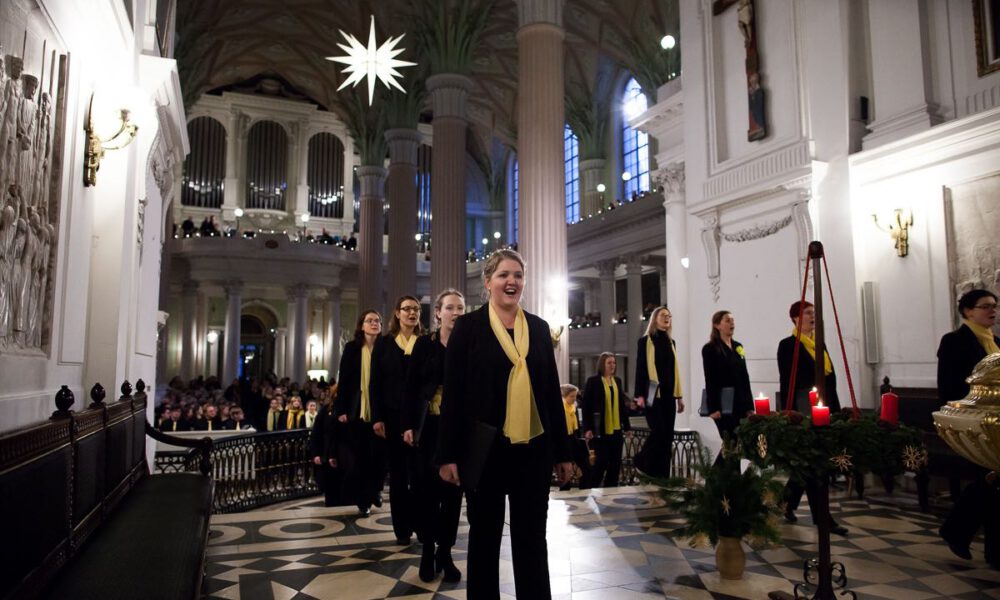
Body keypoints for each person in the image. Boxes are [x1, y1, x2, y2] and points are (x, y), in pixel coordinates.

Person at [436, 249, 573, 600]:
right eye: (503, 275)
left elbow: (549, 398)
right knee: (484, 540)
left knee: (531, 540)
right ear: (488, 282)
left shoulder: (540, 330)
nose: (511, 281)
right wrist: (447, 455)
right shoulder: (467, 329)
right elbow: (453, 397)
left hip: (533, 450)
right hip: (484, 452)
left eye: (517, 275)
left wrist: (564, 453)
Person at [403, 289, 466, 582]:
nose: (456, 312)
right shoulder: (424, 345)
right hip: (428, 428)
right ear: (438, 313)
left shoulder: (469, 345)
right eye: (450, 307)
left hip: (456, 430)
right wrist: (407, 425)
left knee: (452, 495)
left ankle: (446, 552)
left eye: (460, 308)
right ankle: (427, 550)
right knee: (426, 492)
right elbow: (411, 386)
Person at [937, 289, 1000, 566]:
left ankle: (958, 532)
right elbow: (949, 385)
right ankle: (981, 545)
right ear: (967, 311)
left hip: (996, 423)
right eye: (985, 306)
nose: (992, 311)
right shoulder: (955, 341)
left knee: (992, 483)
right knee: (990, 481)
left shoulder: (996, 342)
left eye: (994, 306)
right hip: (971, 425)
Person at [777, 300, 847, 536]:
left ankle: (784, 503)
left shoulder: (819, 343)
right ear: (796, 318)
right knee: (815, 464)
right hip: (803, 410)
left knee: (808, 464)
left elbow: (830, 379)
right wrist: (789, 412)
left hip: (823, 408)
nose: (812, 316)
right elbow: (788, 380)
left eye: (813, 312)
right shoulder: (788, 345)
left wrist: (834, 409)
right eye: (807, 313)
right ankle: (822, 518)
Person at [371, 295, 423, 545]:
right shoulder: (384, 344)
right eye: (407, 309)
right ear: (397, 313)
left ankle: (422, 524)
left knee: (420, 474)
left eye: (415, 309)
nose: (411, 313)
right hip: (391, 417)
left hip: (419, 418)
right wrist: (377, 417)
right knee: (400, 476)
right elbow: (375, 383)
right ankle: (402, 529)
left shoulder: (424, 342)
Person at [335, 310, 384, 517]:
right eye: (369, 321)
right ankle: (364, 499)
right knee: (361, 459)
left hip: (380, 412)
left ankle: (375, 490)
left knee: (379, 458)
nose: (374, 323)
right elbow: (344, 380)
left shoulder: (386, 347)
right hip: (357, 411)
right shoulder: (352, 348)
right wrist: (341, 409)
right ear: (361, 326)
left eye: (377, 321)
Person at [632, 306, 685, 478]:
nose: (667, 318)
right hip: (652, 395)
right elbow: (640, 369)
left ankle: (662, 475)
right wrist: (639, 395)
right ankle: (641, 461)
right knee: (658, 432)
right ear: (655, 318)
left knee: (667, 436)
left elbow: (674, 371)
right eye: (663, 315)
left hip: (669, 396)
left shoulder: (671, 343)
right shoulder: (645, 341)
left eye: (669, 316)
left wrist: (680, 398)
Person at [701, 310, 753, 458]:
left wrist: (749, 406)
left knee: (738, 442)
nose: (732, 323)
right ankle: (721, 477)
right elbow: (710, 379)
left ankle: (733, 477)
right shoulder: (710, 349)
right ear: (717, 325)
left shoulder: (738, 346)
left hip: (740, 401)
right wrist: (714, 407)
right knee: (729, 441)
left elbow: (745, 377)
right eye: (727, 320)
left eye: (732, 320)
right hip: (723, 402)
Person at [582, 352, 631, 487]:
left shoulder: (617, 381)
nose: (613, 365)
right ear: (602, 364)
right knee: (600, 463)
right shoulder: (593, 381)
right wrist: (587, 429)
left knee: (615, 463)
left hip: (616, 430)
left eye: (614, 362)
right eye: (609, 363)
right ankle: (591, 491)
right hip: (600, 430)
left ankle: (610, 491)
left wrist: (627, 427)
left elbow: (621, 406)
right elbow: (586, 406)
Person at [310, 385, 345, 507]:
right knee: (331, 491)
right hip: (327, 453)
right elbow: (316, 433)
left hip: (343, 454)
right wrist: (316, 454)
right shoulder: (325, 410)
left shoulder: (348, 411)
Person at [559, 384, 592, 491]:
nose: (574, 399)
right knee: (566, 472)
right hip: (564, 442)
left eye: (575, 396)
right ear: (564, 396)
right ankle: (565, 494)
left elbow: (577, 426)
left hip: (574, 440)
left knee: (586, 468)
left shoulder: (574, 408)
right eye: (571, 396)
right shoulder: (560, 408)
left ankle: (584, 491)